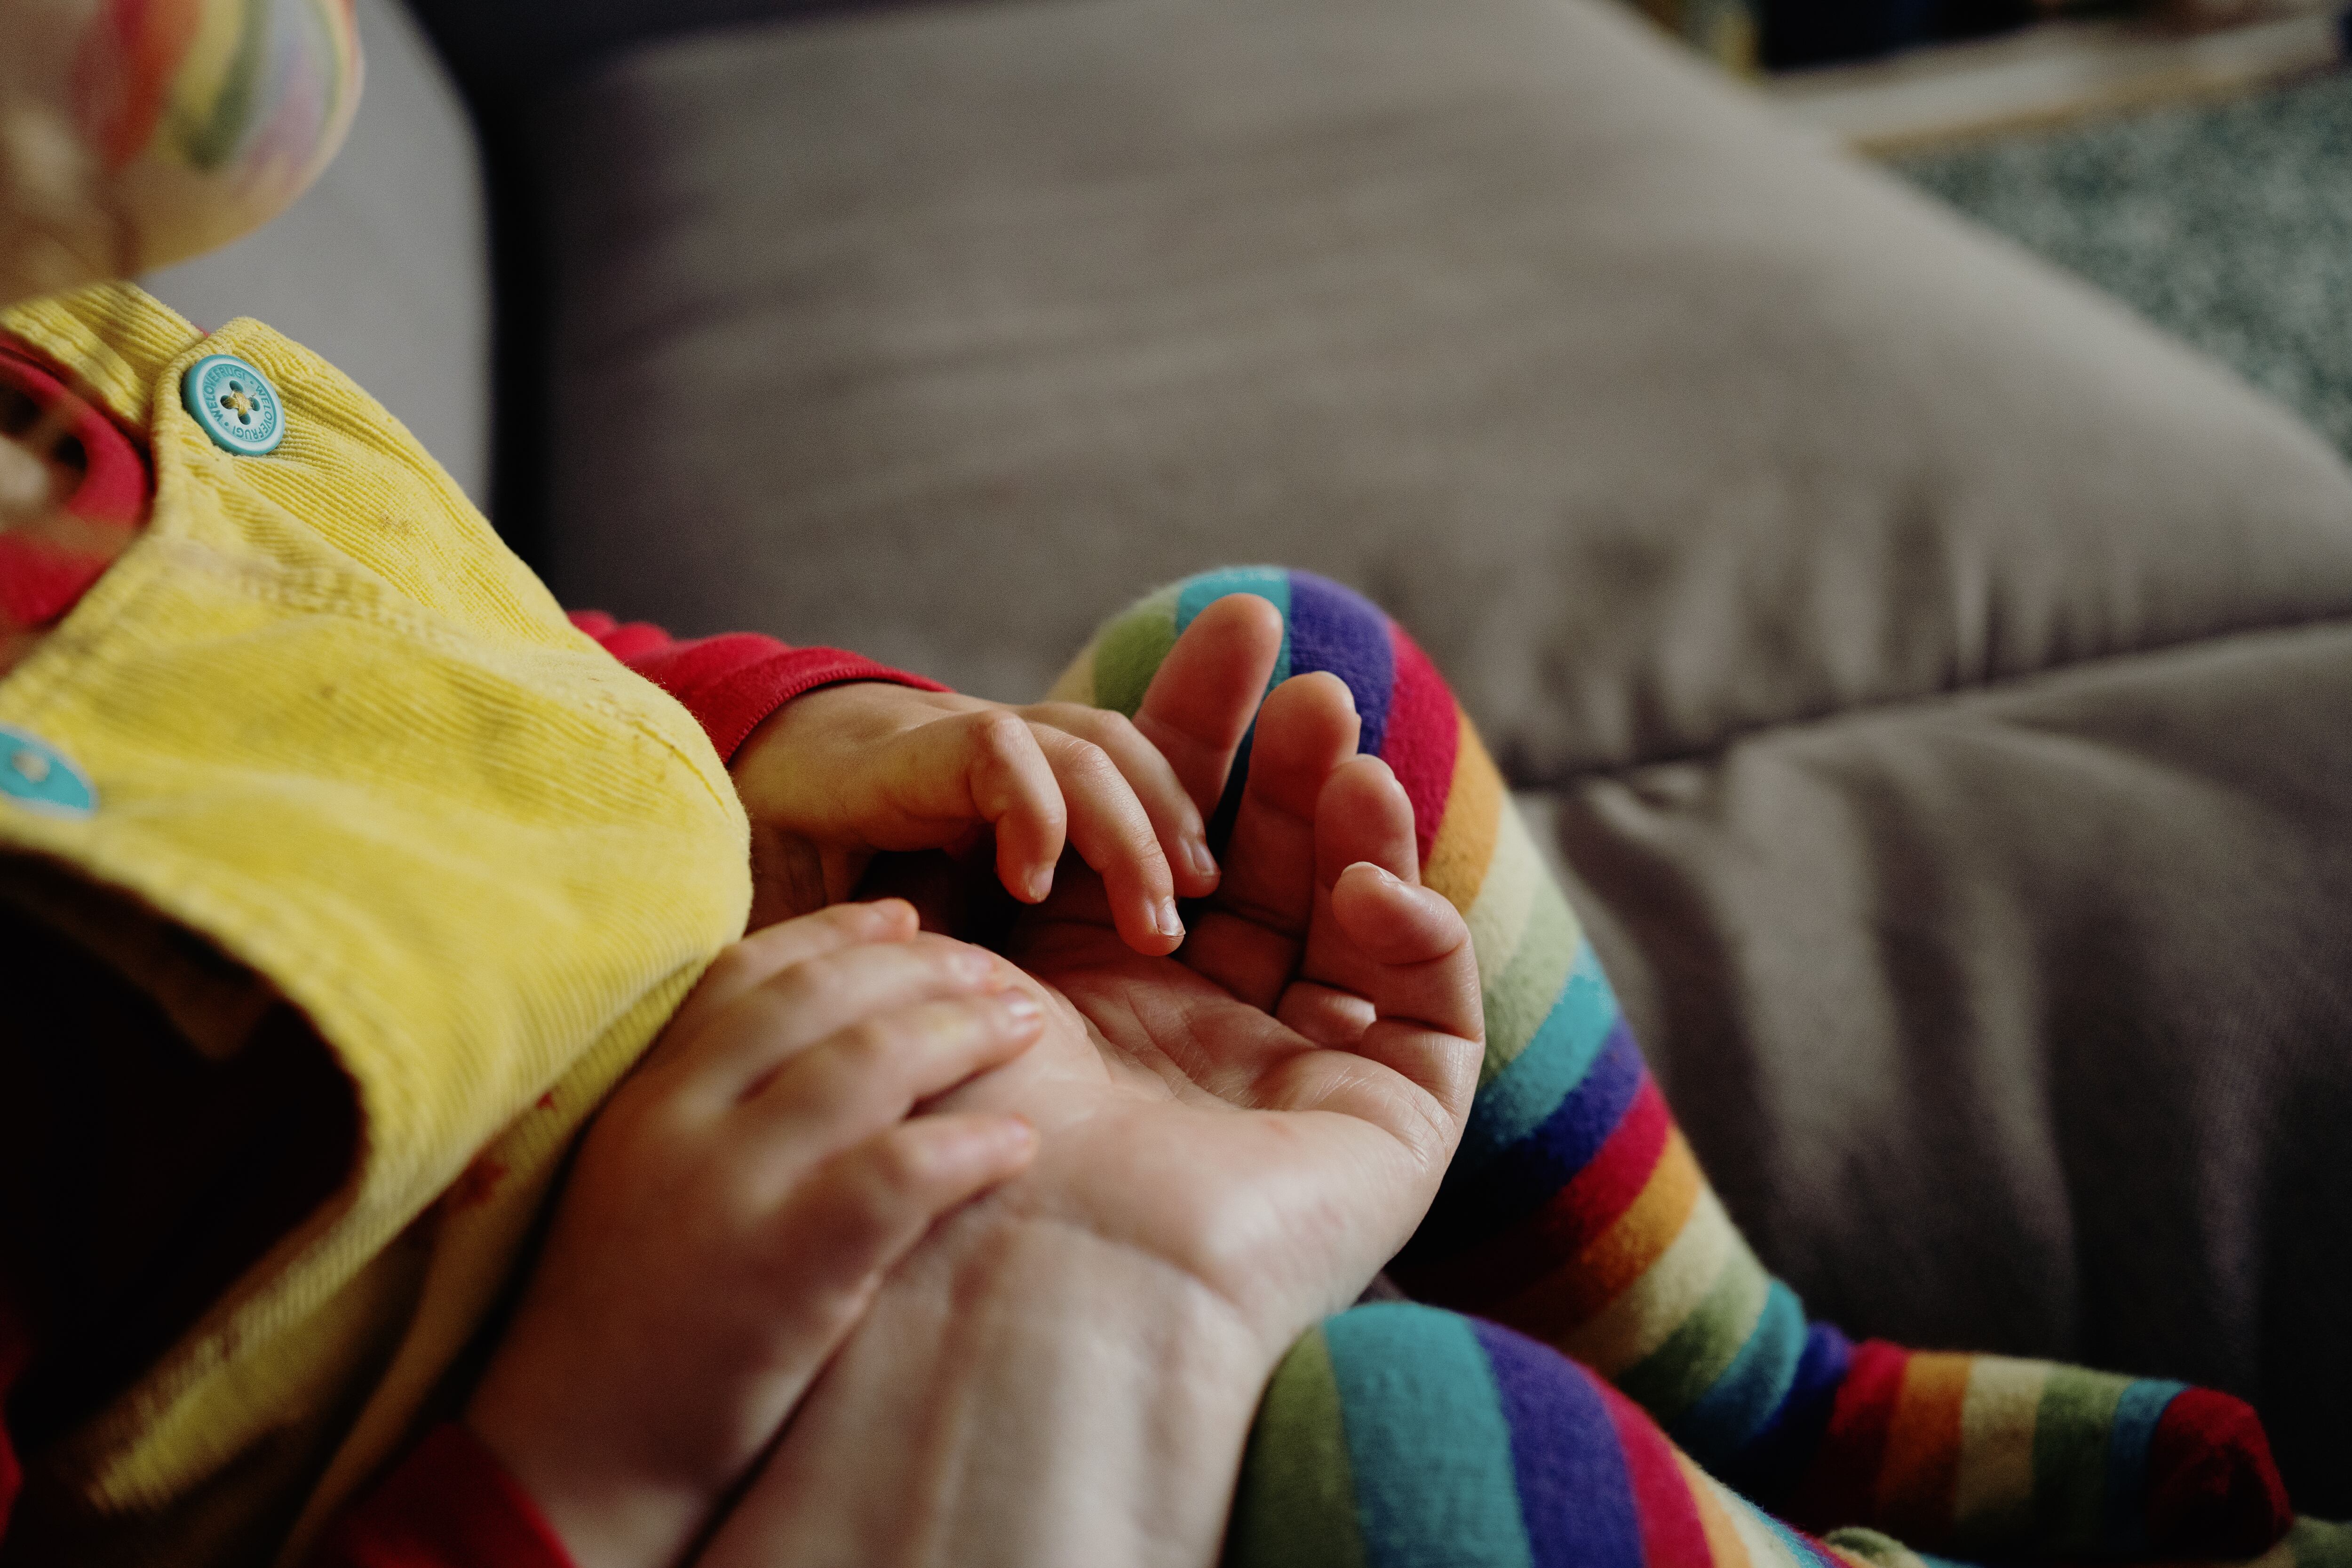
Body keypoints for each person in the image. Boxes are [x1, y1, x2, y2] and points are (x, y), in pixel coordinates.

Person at [0, 3, 2335, 1566]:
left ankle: (1769, 1380)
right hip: (715, 1435)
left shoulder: (82, 367)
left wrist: (821, 741)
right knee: (1400, 1466)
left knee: (1277, 682)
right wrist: (604, 1433)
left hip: (843, 1044)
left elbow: (466, 672)